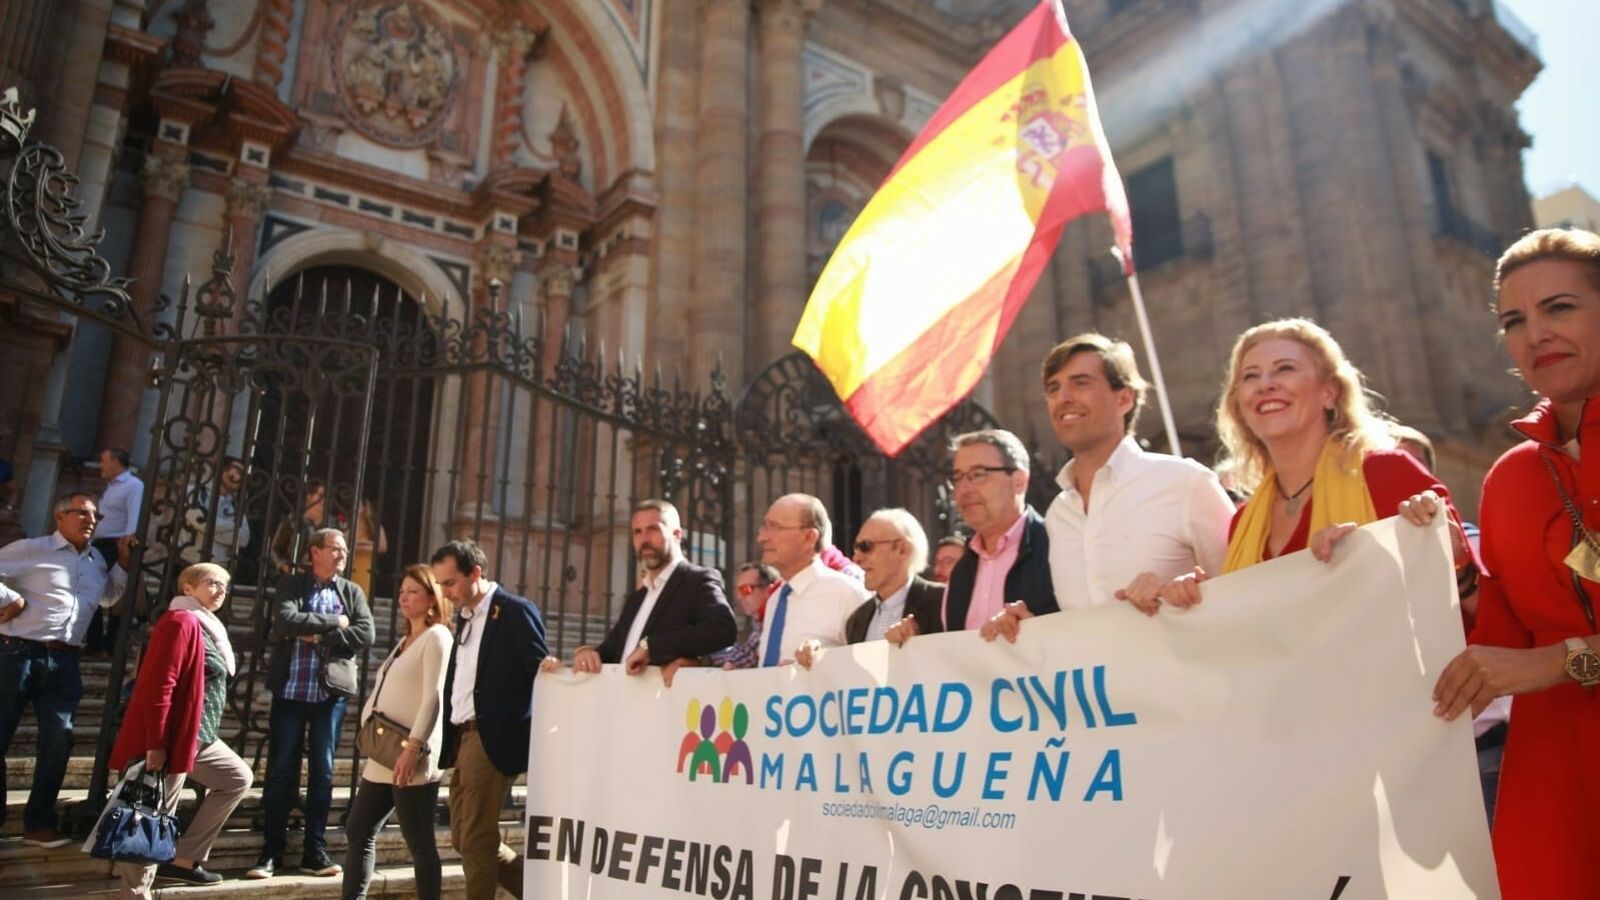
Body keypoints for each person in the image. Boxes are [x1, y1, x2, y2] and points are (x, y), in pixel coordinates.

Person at [1430, 228, 1600, 897]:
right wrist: (1459, 571)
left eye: (1559, 308)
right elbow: (1503, 642)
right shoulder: (1509, 478)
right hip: (1555, 785)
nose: (1536, 335)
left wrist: (1556, 663)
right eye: (1514, 320)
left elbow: (1534, 660)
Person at [1158, 317, 1470, 602]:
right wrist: (1196, 599)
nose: (1265, 384)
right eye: (1250, 376)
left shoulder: (1387, 473)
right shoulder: (1243, 522)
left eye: (1285, 368)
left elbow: (1473, 605)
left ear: (1329, 392)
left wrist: (1448, 551)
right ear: (1239, 406)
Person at [1038, 334, 1232, 619]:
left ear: (1124, 399)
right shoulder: (1058, 514)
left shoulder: (1186, 483)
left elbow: (1244, 590)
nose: (1063, 398)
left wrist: (1185, 591)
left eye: (1081, 383)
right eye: (1053, 389)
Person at [108, 563, 252, 894]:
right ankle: (135, 892)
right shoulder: (180, 621)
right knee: (153, 812)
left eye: (225, 587)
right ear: (187, 588)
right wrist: (156, 742)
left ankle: (184, 859)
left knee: (237, 778)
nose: (220, 591)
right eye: (212, 583)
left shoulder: (209, 627)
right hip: (174, 736)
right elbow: (161, 684)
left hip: (199, 736)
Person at [0, 493, 131, 847]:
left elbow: (107, 598)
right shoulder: (32, 548)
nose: (90, 520)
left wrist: (121, 562)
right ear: (60, 517)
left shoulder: (94, 562)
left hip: (66, 660)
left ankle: (39, 822)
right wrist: (9, 601)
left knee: (59, 738)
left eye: (95, 516)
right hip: (18, 652)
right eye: (81, 513)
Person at [248, 528, 374, 880]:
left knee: (324, 772)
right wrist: (336, 623)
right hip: (290, 690)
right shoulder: (292, 584)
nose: (342, 555)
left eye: (345, 550)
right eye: (335, 549)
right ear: (315, 552)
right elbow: (285, 620)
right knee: (280, 770)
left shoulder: (352, 591)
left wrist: (314, 634)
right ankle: (270, 851)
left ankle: (314, 851)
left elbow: (366, 633)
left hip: (328, 695)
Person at [432, 539, 547, 900]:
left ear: (476, 573)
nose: (445, 593)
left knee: (477, 838)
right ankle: (536, 890)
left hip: (492, 737)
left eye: (450, 583)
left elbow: (539, 670)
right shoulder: (464, 619)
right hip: (462, 737)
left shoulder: (513, 611)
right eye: (442, 585)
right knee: (463, 836)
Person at [343, 564, 453, 900]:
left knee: (419, 841)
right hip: (382, 755)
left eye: (413, 592)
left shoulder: (437, 636)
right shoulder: (407, 639)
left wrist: (414, 747)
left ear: (432, 599)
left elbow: (433, 696)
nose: (404, 597)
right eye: (402, 591)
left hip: (409, 755)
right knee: (358, 829)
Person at [886, 430, 1055, 646]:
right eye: (957, 477)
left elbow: (1085, 634)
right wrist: (916, 641)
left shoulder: (1055, 546)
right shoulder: (961, 570)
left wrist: (1032, 628)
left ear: (1019, 481)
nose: (964, 489)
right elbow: (957, 655)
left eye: (978, 475)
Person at [544, 500, 735, 687]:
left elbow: (723, 629)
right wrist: (585, 653)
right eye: (637, 532)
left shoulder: (697, 580)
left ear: (677, 535)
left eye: (653, 529)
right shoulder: (638, 597)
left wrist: (652, 648)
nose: (644, 540)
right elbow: (614, 651)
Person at [755, 494, 869, 665]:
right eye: (764, 527)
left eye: (775, 527)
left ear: (809, 538)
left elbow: (871, 666)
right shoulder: (775, 600)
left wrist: (820, 667)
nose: (762, 538)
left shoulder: (845, 593)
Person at [844, 509, 943, 644]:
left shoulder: (942, 602)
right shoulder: (856, 619)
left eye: (866, 546)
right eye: (856, 547)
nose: (856, 558)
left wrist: (917, 645)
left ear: (903, 550)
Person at [88, 448, 143, 657]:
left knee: (118, 598)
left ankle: (111, 646)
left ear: (116, 462)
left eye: (104, 461)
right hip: (100, 544)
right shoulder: (111, 487)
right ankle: (94, 643)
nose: (101, 465)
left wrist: (127, 543)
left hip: (117, 544)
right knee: (92, 589)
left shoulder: (133, 485)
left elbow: (135, 514)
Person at [182, 456, 251, 567]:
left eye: (243, 475)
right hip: (187, 562)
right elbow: (200, 522)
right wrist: (234, 526)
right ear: (222, 470)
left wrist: (208, 530)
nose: (238, 477)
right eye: (237, 471)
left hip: (217, 567)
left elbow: (244, 539)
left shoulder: (236, 506)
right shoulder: (195, 492)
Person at [711, 562, 777, 669]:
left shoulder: (775, 618)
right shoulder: (758, 621)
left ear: (768, 590)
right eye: (737, 591)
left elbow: (750, 654)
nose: (739, 597)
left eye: (746, 590)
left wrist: (704, 660)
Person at [270, 479, 326, 574]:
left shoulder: (331, 523)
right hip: (295, 574)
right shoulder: (293, 521)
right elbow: (275, 550)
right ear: (309, 496)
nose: (324, 500)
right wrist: (284, 566)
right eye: (320, 495)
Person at [350, 497, 387, 600]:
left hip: (366, 564)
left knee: (362, 593)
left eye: (358, 504)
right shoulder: (348, 524)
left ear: (365, 507)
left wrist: (364, 545)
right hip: (351, 563)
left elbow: (383, 546)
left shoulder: (374, 526)